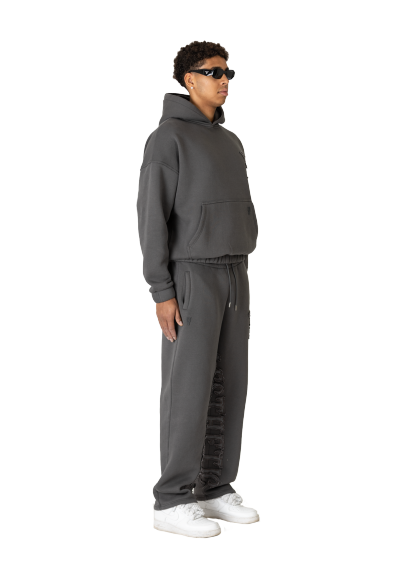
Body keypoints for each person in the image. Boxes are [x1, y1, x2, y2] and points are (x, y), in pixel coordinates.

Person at [137, 40, 259, 538]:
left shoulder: (230, 140)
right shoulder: (166, 139)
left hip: (235, 272)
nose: (224, 79)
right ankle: (171, 498)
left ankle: (213, 485)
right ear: (189, 79)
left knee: (231, 383)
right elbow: (152, 219)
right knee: (188, 387)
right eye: (213, 71)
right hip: (191, 275)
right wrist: (161, 290)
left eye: (228, 72)